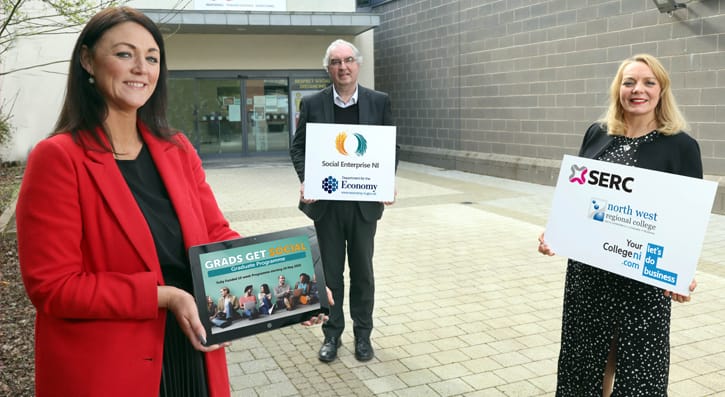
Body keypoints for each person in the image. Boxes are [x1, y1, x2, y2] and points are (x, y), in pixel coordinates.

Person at [14, 7, 245, 397]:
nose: (141, 68)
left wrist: (282, 274)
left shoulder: (177, 149)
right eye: (125, 54)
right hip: (109, 369)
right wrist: (165, 296)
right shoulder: (58, 158)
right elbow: (53, 287)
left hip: (192, 349)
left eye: (152, 58)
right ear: (87, 60)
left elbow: (215, 234)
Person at [537, 54, 701, 397]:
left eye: (648, 82)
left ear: (661, 91)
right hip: (590, 272)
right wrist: (555, 231)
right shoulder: (597, 133)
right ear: (618, 89)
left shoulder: (681, 146)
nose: (637, 90)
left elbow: (687, 218)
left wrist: (682, 269)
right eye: (629, 82)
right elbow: (578, 197)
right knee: (584, 361)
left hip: (642, 278)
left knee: (639, 365)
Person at [290, 38, 399, 363]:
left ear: (358, 64)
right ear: (328, 68)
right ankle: (332, 336)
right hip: (326, 205)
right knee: (332, 275)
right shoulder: (312, 103)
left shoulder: (379, 102)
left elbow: (390, 147)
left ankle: (363, 336)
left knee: (363, 272)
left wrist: (386, 180)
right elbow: (298, 147)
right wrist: (306, 178)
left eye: (348, 60)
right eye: (336, 62)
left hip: (364, 205)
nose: (343, 67)